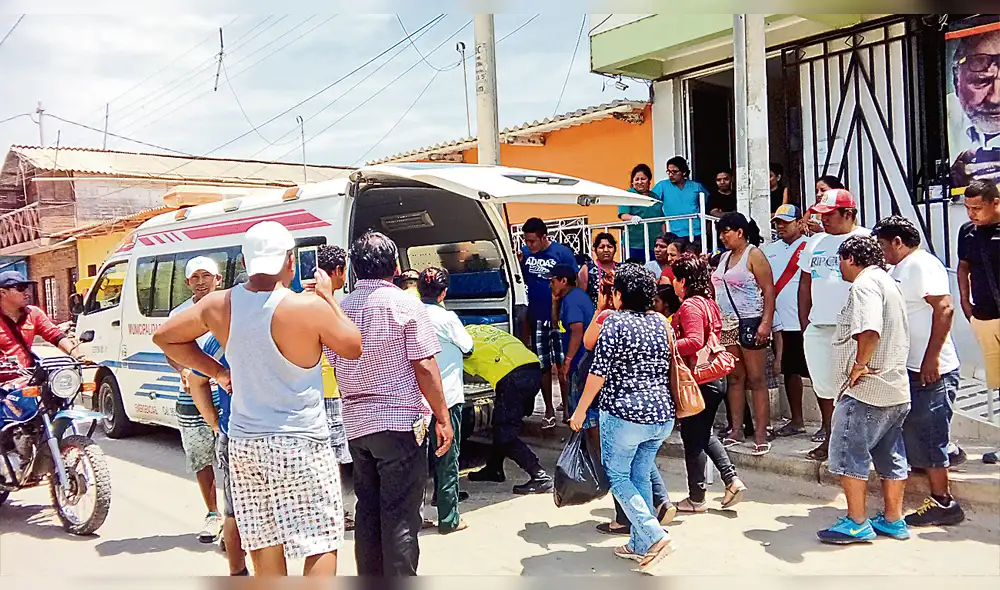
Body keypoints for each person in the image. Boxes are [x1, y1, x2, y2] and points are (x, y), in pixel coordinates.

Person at [153, 221, 364, 576]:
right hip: (300, 442)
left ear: (247, 262)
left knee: (264, 540)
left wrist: (217, 372)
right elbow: (353, 346)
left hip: (245, 442)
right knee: (320, 540)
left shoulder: (219, 304)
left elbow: (166, 337)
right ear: (290, 261)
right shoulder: (308, 307)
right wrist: (329, 298)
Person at [328, 231, 454, 576]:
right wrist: (443, 418)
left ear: (353, 268)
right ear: (396, 267)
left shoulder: (339, 309)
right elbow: (425, 366)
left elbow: (329, 356)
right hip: (400, 425)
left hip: (356, 424)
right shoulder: (406, 304)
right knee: (400, 515)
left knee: (368, 511)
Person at [569, 263, 675, 573]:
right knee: (639, 473)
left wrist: (579, 411)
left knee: (617, 476)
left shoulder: (614, 323)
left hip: (624, 415)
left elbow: (597, 372)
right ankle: (639, 543)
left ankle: (654, 535)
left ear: (619, 294)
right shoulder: (660, 322)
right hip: (661, 416)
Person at [817, 235, 911, 544]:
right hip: (895, 387)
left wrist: (858, 365)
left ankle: (857, 522)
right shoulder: (888, 282)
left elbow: (869, 329)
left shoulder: (864, 285)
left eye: (840, 261)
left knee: (848, 453)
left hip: (867, 390)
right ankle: (893, 519)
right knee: (890, 454)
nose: (839, 268)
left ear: (851, 259)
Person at [873, 216, 965, 527]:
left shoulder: (920, 265)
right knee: (918, 431)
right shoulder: (900, 268)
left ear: (898, 242)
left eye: (884, 245)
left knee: (929, 436)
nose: (881, 252)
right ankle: (947, 457)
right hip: (911, 367)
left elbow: (945, 308)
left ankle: (944, 502)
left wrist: (931, 359)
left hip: (931, 369)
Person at [670, 254, 747, 512]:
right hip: (715, 377)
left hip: (699, 379)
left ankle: (696, 498)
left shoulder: (690, 306)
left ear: (683, 280)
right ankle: (731, 480)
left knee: (693, 439)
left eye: (675, 279)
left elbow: (693, 341)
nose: (673, 284)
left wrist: (665, 344)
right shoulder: (708, 302)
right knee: (703, 434)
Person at [798, 189, 871, 461]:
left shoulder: (865, 239)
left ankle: (855, 442)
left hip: (853, 328)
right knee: (823, 386)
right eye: (822, 215)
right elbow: (805, 284)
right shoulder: (815, 242)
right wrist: (806, 323)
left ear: (849, 214)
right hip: (818, 326)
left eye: (830, 215)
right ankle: (831, 436)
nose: (824, 221)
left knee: (856, 387)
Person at [187, 271, 249, 576]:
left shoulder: (219, 334)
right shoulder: (281, 323)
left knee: (234, 509)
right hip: (270, 434)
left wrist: (214, 421)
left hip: (232, 432)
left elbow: (196, 380)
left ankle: (238, 572)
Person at [165, 256, 224, 544]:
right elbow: (170, 351)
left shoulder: (231, 309)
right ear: (187, 282)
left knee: (237, 459)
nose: (201, 281)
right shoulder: (179, 314)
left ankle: (237, 518)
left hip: (226, 394)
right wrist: (184, 370)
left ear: (218, 279)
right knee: (202, 459)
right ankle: (213, 515)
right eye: (195, 277)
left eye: (206, 276)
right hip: (191, 398)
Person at [712, 212, 776, 455]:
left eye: (726, 231)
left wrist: (766, 323)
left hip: (751, 319)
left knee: (756, 379)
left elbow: (769, 290)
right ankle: (736, 428)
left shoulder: (754, 255)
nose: (722, 236)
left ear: (740, 232)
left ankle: (761, 431)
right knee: (735, 378)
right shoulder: (725, 257)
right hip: (727, 323)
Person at [417, 267, 473, 534]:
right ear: (444, 292)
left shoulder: (411, 315)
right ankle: (449, 518)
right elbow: (468, 346)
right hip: (447, 399)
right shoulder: (447, 318)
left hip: (415, 401)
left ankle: (415, 515)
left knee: (415, 462)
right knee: (447, 459)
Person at [465, 324, 554, 494]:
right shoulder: (478, 329)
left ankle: (540, 476)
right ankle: (494, 468)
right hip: (533, 367)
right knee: (501, 423)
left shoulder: (458, 341)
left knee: (505, 432)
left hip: (512, 377)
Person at [518, 217, 578, 428]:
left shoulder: (562, 253)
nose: (529, 245)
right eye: (526, 241)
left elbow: (574, 284)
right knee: (543, 366)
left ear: (544, 237)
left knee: (564, 365)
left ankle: (568, 408)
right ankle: (549, 411)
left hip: (559, 319)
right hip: (537, 318)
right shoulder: (524, 255)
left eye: (532, 241)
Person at [316, 245, 356, 531]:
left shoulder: (303, 299)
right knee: (335, 458)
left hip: (314, 390)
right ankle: (337, 513)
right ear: (339, 270)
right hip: (331, 390)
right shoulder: (330, 304)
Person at [764, 205, 811, 437]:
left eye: (785, 222)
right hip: (781, 322)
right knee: (790, 373)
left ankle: (828, 425)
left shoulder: (811, 246)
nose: (780, 226)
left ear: (799, 223)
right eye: (777, 222)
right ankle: (797, 420)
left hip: (807, 320)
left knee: (816, 373)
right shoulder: (770, 250)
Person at [0, 271, 87, 383]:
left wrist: (77, 355)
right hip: (2, 382)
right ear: (3, 293)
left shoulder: (33, 313)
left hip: (26, 378)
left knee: (58, 394)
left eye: (27, 288)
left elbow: (55, 335)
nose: (27, 293)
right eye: (20, 288)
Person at [957, 179, 1000, 401]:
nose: (971, 214)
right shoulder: (967, 232)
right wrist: (965, 302)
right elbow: (963, 267)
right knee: (996, 382)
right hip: (983, 317)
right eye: (967, 208)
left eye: (976, 208)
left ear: (995, 203)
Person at [948, 29, 1000, 188]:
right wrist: (952, 181)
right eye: (980, 82)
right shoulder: (941, 117)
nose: (995, 98)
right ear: (957, 80)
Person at [651, 156, 708, 240]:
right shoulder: (662, 186)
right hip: (673, 232)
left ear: (683, 172)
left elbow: (706, 205)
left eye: (674, 172)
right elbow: (651, 202)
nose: (671, 175)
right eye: (669, 172)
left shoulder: (696, 186)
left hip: (696, 231)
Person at [619, 163, 665, 261]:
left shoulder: (655, 197)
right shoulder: (628, 195)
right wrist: (632, 218)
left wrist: (665, 238)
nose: (640, 182)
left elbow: (662, 220)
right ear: (632, 182)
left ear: (649, 181)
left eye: (643, 179)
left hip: (654, 244)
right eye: (637, 179)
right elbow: (623, 215)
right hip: (634, 244)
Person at [581, 232, 619, 309]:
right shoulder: (587, 269)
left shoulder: (620, 269)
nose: (606, 250)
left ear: (615, 249)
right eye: (601, 247)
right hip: (594, 316)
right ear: (595, 250)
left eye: (610, 246)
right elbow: (581, 297)